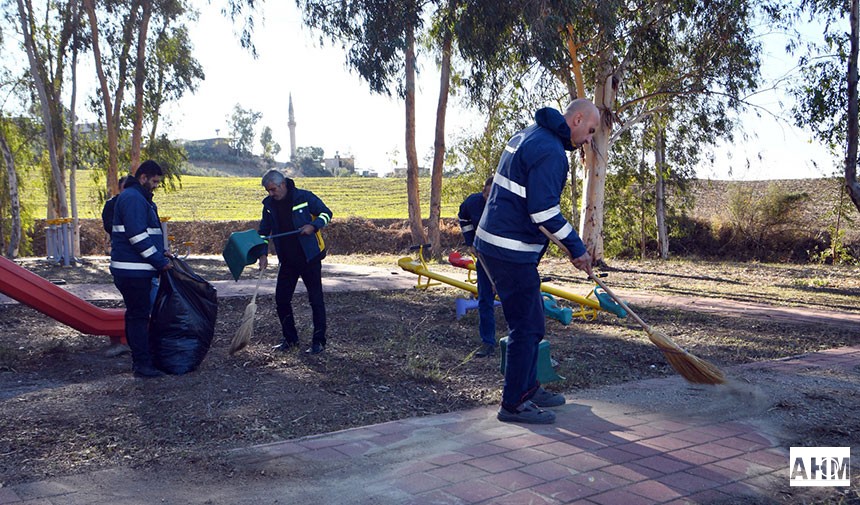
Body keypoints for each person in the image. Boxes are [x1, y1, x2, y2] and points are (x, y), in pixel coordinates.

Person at [474, 99, 598, 424]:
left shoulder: (532, 134)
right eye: (590, 130)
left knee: (534, 319)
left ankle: (528, 389)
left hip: (497, 244)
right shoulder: (551, 152)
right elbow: (543, 212)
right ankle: (514, 404)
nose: (588, 139)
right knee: (526, 326)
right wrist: (577, 248)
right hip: (508, 249)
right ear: (578, 119)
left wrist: (571, 248)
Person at [257, 170, 333, 355]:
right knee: (281, 300)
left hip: (309, 258)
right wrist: (263, 254)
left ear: (282, 184)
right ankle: (290, 340)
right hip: (287, 260)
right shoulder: (268, 206)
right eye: (268, 191)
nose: (271, 194)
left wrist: (313, 226)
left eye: (273, 189)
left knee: (316, 300)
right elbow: (263, 232)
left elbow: (326, 214)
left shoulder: (304, 197)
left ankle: (318, 341)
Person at [110, 160, 172, 378]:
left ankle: (143, 361)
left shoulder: (137, 198)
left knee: (137, 315)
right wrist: (159, 261)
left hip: (133, 270)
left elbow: (145, 234)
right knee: (138, 317)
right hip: (133, 271)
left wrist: (160, 252)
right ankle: (142, 365)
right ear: (143, 177)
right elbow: (137, 236)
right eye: (154, 181)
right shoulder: (134, 199)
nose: (156, 186)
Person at [457, 176, 497, 357]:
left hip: (508, 258)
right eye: (488, 194)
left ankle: (520, 342)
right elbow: (463, 218)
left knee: (515, 299)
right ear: (483, 192)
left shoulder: (507, 206)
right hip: (483, 256)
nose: (491, 198)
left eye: (494, 194)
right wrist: (470, 242)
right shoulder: (472, 203)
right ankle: (488, 342)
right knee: (485, 299)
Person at [101, 175, 131, 358]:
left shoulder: (141, 203)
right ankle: (126, 338)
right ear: (120, 188)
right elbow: (109, 226)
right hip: (124, 256)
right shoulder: (112, 205)